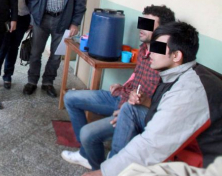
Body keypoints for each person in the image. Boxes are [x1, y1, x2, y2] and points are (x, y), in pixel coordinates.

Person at [86, 22, 222, 176]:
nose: (149, 52)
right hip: (181, 145)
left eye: (157, 48)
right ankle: (113, 161)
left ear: (176, 55)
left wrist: (104, 173)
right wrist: (145, 102)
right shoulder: (175, 73)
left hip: (202, 164)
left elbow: (152, 145)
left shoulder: (190, 90)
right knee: (128, 110)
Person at [61, 5, 176, 170]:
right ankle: (86, 154)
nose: (141, 27)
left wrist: (124, 109)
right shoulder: (145, 47)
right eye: (142, 22)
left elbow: (153, 104)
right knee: (70, 98)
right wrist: (124, 86)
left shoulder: (165, 59)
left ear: (162, 30)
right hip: (122, 97)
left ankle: (102, 165)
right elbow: (139, 76)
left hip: (132, 110)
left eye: (148, 24)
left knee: (88, 133)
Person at [24, 0, 86, 97]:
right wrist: (35, 11)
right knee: (36, 52)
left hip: (63, 20)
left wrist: (75, 23)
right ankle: (32, 81)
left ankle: (48, 82)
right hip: (41, 18)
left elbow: (80, 1)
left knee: (57, 54)